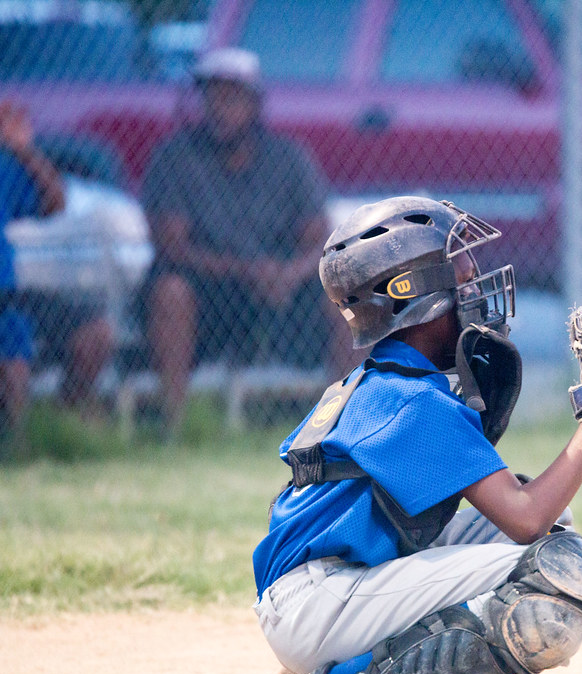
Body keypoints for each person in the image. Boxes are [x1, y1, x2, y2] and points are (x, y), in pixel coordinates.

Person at [252, 197, 582, 674]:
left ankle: (327, 658)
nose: (477, 292)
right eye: (464, 282)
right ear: (418, 299)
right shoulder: (411, 399)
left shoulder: (389, 380)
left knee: (556, 523)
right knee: (562, 574)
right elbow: (525, 518)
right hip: (319, 604)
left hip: (322, 591)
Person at [139, 48, 360, 435]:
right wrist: (249, 271)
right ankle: (176, 428)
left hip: (281, 292)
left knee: (348, 293)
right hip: (206, 289)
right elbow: (171, 246)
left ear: (255, 104)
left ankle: (343, 425)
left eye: (231, 98)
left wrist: (288, 274)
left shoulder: (289, 158)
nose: (219, 108)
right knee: (170, 291)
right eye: (211, 97)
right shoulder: (175, 158)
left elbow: (320, 239)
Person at [0, 99, 114, 435]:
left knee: (95, 333)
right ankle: (16, 442)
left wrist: (23, 149)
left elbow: (56, 202)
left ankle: (55, 427)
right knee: (12, 353)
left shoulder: (5, 168)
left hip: (9, 295)